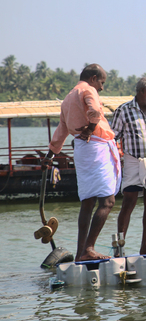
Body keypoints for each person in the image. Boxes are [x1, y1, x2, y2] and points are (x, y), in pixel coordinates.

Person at [42, 64, 120, 262]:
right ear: (93, 78)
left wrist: (50, 155)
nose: (102, 87)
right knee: (108, 201)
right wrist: (91, 127)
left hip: (82, 149)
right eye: (101, 82)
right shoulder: (88, 89)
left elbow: (62, 130)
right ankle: (89, 248)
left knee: (88, 201)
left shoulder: (68, 97)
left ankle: (81, 252)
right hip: (94, 145)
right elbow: (95, 111)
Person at [111, 77, 146, 255]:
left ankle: (145, 245)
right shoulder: (124, 110)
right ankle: (120, 247)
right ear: (142, 91)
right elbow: (113, 137)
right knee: (129, 202)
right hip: (134, 160)